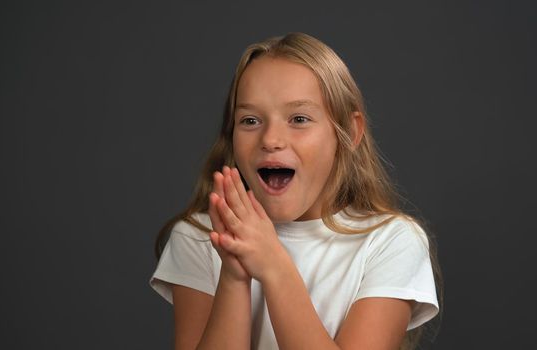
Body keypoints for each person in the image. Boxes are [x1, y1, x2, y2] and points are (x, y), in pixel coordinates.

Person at [150, 32, 441, 350]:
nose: (271, 139)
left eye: (299, 118)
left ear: (350, 132)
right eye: (250, 120)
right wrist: (233, 276)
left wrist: (274, 266)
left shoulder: (391, 242)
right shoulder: (198, 237)